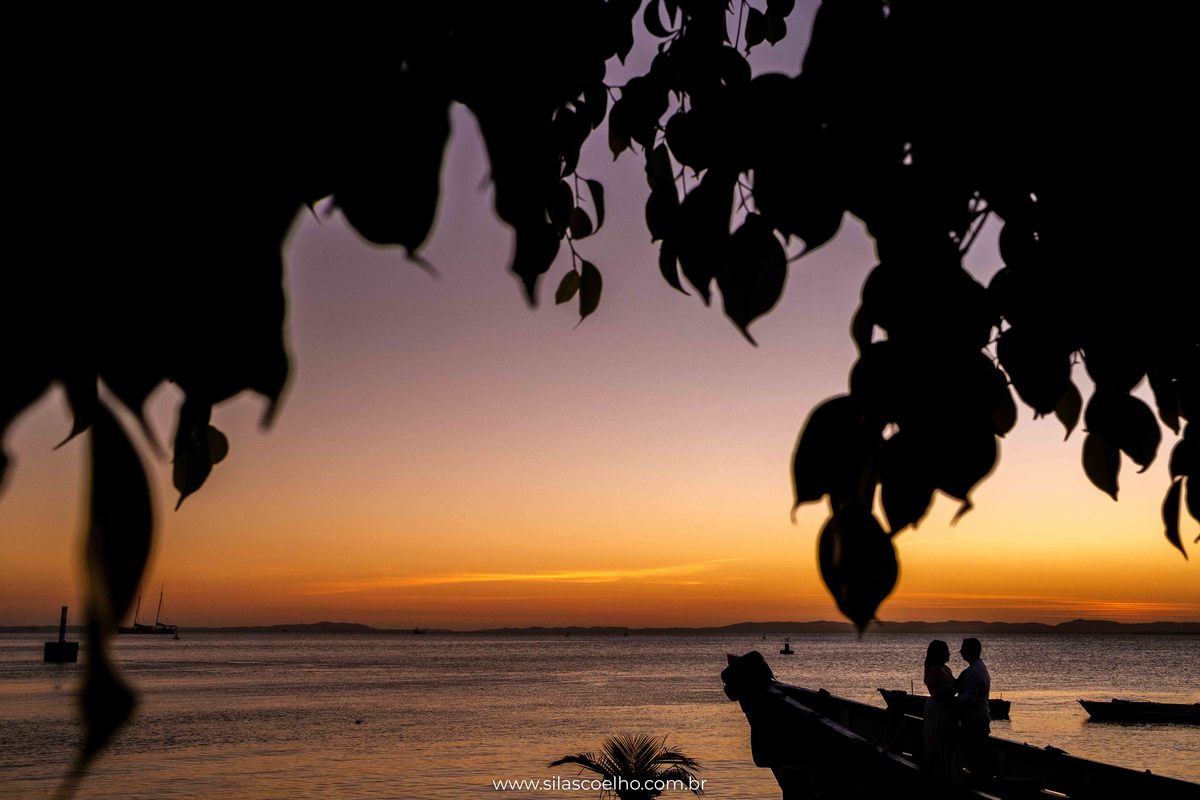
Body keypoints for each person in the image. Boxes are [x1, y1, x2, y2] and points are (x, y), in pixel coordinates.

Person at [956, 637, 991, 782]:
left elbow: (970, 698)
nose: (960, 651)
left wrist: (952, 701)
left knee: (973, 756)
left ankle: (976, 785)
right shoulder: (980, 667)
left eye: (963, 649)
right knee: (978, 756)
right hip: (982, 718)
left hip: (974, 721)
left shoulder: (972, 671)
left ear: (970, 651)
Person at [921, 639, 957, 779]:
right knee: (939, 742)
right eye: (946, 651)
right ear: (939, 653)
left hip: (945, 708)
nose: (949, 653)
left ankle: (944, 772)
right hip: (939, 709)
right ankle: (940, 774)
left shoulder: (945, 669)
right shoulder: (935, 670)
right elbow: (945, 692)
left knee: (945, 743)